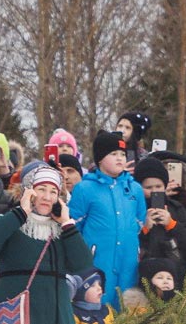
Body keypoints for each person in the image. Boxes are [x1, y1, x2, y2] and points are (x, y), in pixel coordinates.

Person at [0, 163, 90, 324]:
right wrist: (22, 212)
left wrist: (67, 223)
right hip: (15, 314)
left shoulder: (62, 231)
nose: (47, 197)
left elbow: (82, 263)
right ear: (29, 191)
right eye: (42, 189)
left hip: (56, 315)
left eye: (53, 192)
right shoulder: (12, 222)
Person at [66, 133, 139, 310]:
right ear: (100, 159)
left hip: (128, 262)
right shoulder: (85, 188)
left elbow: (140, 223)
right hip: (97, 262)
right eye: (113, 154)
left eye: (122, 154)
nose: (120, 158)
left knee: (127, 307)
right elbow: (73, 226)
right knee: (97, 306)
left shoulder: (134, 189)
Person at [128, 161, 186, 266]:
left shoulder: (176, 207)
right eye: (148, 187)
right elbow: (125, 243)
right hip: (142, 267)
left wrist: (172, 225)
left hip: (173, 269)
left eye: (158, 186)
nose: (154, 191)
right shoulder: (132, 208)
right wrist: (144, 228)